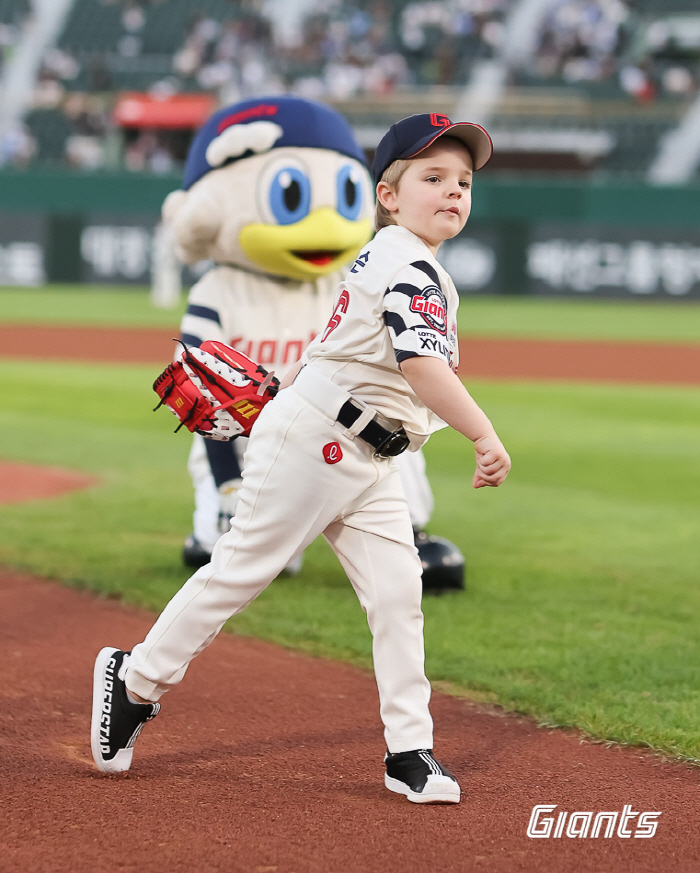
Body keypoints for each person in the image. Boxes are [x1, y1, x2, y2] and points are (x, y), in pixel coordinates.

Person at [91, 112, 511, 804]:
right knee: (240, 572)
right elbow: (421, 367)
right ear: (388, 195)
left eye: (463, 181)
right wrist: (485, 434)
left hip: (368, 452)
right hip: (319, 439)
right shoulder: (406, 261)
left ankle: (409, 750)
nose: (453, 191)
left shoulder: (402, 257)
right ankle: (134, 679)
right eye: (432, 177)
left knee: (399, 596)